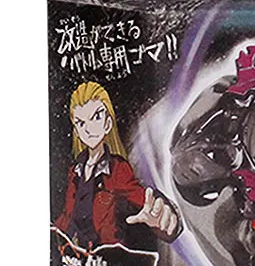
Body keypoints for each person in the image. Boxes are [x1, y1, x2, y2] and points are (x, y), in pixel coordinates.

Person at [55, 81, 181, 248]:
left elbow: (141, 197)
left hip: (108, 256)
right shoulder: (75, 171)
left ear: (108, 123)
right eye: (81, 123)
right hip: (77, 255)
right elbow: (67, 216)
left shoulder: (116, 169)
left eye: (96, 117)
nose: (88, 129)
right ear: (76, 131)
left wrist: (164, 215)